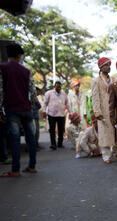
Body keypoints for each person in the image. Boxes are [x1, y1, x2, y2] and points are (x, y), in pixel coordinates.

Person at [0, 43, 38, 177]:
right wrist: (30, 104)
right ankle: (32, 166)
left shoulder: (2, 68)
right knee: (30, 138)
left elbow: (1, 90)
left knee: (15, 138)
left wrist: (0, 109)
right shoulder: (26, 71)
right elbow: (33, 92)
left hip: (12, 108)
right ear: (18, 55)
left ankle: (15, 170)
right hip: (26, 108)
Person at [91, 57, 115, 163]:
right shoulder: (96, 81)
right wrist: (97, 112)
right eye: (105, 65)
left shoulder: (113, 79)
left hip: (113, 109)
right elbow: (95, 97)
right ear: (101, 67)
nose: (108, 67)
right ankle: (106, 156)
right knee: (104, 132)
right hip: (103, 109)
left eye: (109, 65)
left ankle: (115, 152)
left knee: (114, 131)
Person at [42, 81, 69, 150]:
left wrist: (71, 112)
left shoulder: (64, 94)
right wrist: (44, 111)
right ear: (54, 86)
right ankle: (53, 144)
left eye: (59, 87)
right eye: (57, 87)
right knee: (52, 130)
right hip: (51, 114)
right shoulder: (49, 93)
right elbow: (45, 103)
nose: (58, 88)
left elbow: (67, 104)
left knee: (61, 130)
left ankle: (60, 143)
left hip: (61, 114)